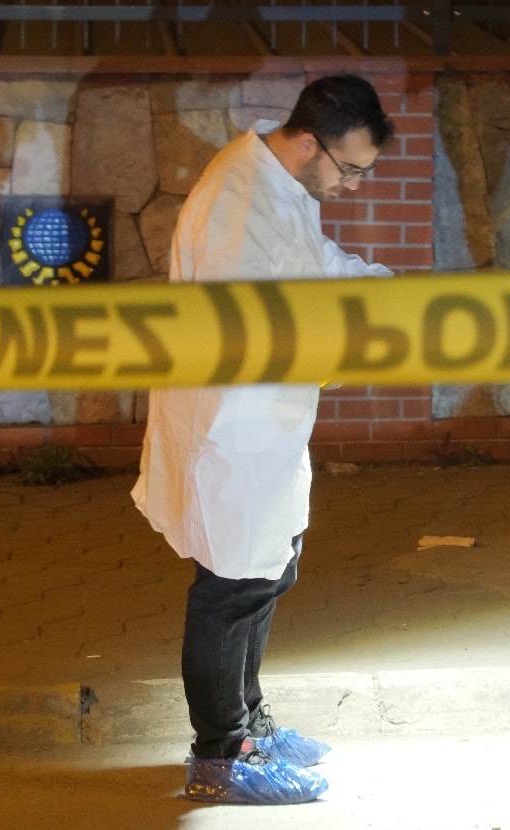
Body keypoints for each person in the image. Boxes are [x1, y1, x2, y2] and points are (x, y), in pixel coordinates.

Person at [132, 74, 395, 805]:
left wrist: (389, 293)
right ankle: (220, 755)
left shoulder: (280, 184)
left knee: (268, 569)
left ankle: (249, 724)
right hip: (232, 426)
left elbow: (313, 268)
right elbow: (253, 328)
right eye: (350, 169)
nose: (352, 185)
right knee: (232, 588)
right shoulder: (241, 201)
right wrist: (351, 346)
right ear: (309, 142)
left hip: (267, 426)